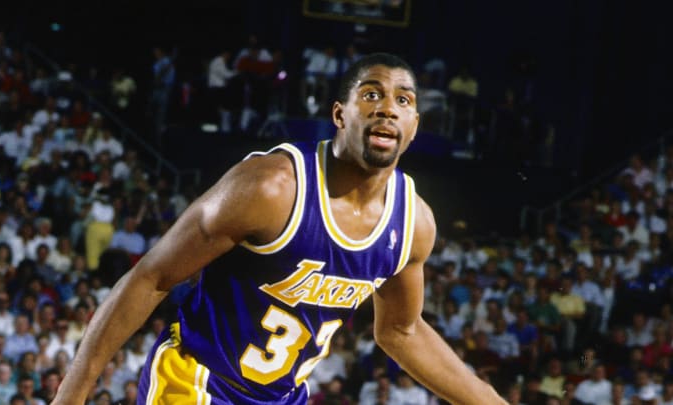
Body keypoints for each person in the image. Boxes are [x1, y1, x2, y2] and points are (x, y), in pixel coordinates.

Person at [52, 53, 506, 405]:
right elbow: (151, 277)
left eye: (403, 100)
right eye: (371, 95)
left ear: (413, 128)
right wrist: (73, 392)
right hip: (199, 380)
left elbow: (401, 332)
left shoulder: (414, 223)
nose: (388, 108)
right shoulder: (272, 187)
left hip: (284, 396)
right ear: (340, 115)